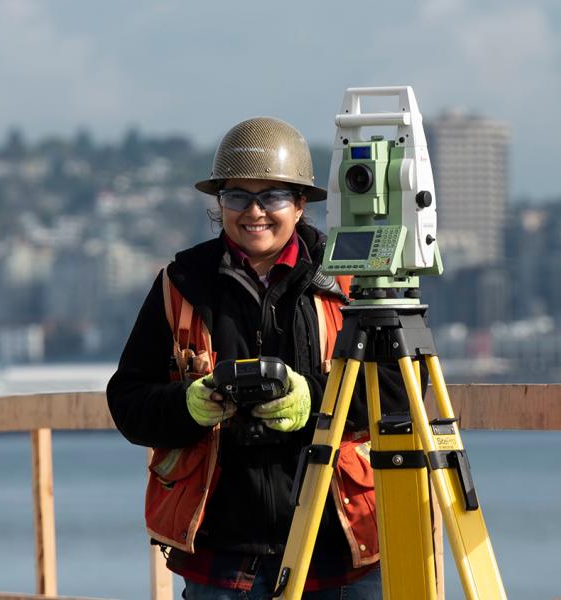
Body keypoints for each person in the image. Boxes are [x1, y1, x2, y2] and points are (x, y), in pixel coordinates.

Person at [107, 116, 402, 599]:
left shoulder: (349, 280)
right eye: (238, 196)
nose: (255, 212)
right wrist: (188, 406)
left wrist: (318, 401)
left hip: (339, 544)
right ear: (219, 202)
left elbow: (400, 394)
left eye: (273, 196)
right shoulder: (182, 283)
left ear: (301, 202)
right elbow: (128, 400)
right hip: (223, 551)